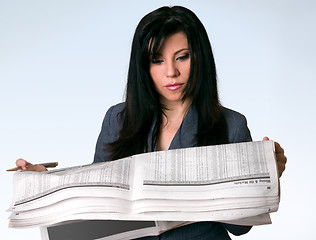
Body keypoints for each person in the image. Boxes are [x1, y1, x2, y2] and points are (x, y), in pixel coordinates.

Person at [15, 6, 287, 239]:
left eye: (183, 56)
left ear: (200, 57)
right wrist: (49, 187)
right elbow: (97, 209)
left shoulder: (231, 124)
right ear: (143, 66)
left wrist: (266, 178)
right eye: (157, 60)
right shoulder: (118, 119)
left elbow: (239, 229)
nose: (172, 72)